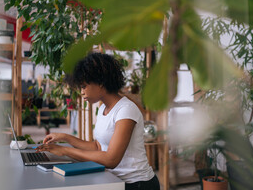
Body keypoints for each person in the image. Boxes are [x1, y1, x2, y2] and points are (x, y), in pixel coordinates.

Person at [36, 52, 160, 190]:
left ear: (100, 83)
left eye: (83, 86)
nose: (81, 92)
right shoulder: (103, 109)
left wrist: (65, 151)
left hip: (137, 184)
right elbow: (98, 147)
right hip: (113, 179)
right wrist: (65, 138)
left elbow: (111, 159)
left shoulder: (126, 110)